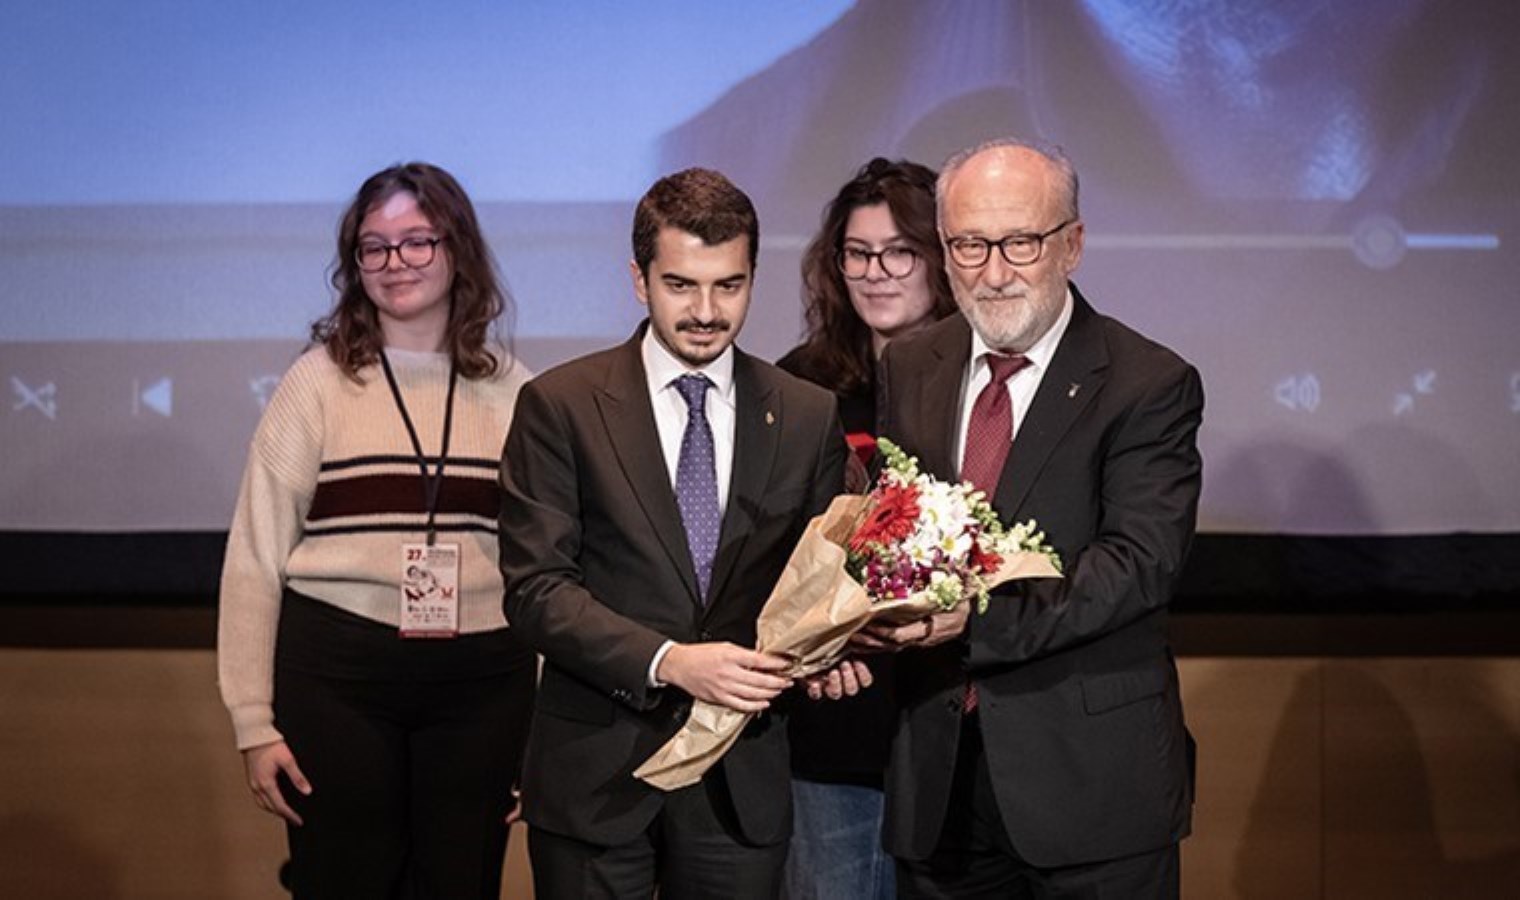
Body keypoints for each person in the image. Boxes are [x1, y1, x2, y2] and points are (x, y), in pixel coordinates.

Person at [859, 138, 1202, 898]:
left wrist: (971, 622)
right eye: (969, 245)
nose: (993, 270)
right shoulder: (912, 366)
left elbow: (1136, 565)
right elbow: (895, 533)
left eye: (1020, 241)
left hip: (1093, 795)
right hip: (939, 787)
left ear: (1072, 244)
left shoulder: (1148, 383)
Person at [498, 167, 847, 899]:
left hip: (738, 782)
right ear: (639, 279)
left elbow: (820, 581)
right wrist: (669, 661)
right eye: (681, 284)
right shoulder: (561, 405)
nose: (706, 311)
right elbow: (536, 591)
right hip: (597, 776)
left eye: (729, 285)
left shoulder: (807, 414)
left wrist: (836, 650)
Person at [217, 162, 537, 899]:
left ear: (458, 250)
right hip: (338, 681)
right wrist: (253, 722)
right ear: (354, 264)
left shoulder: (517, 390)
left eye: (418, 242)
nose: (396, 263)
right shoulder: (316, 384)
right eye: (375, 247)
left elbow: (545, 570)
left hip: (485, 688)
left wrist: (544, 731)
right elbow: (255, 559)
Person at [775, 157, 955, 900]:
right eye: (858, 253)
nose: (876, 272)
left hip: (947, 718)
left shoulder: (987, 387)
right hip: (834, 719)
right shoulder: (799, 384)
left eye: (900, 251)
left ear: (940, 259)